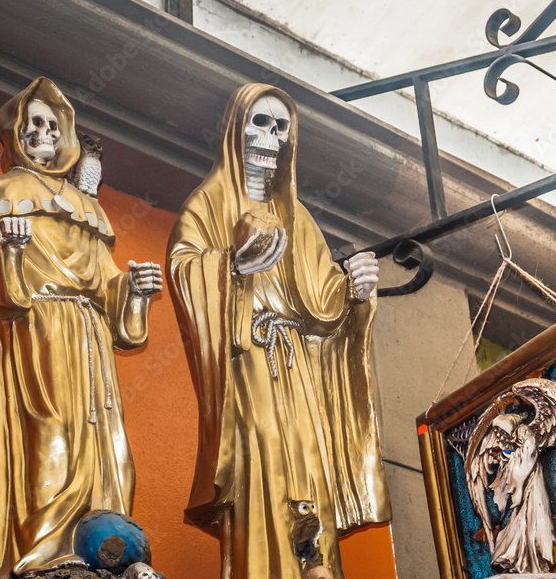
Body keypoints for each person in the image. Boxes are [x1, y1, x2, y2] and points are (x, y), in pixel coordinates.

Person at [167, 84, 391, 578]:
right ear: (234, 130)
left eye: (281, 126)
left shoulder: (297, 216)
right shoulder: (207, 205)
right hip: (248, 361)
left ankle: (317, 568)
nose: (272, 136)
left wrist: (354, 287)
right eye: (259, 122)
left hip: (299, 370)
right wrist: (230, 267)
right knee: (263, 460)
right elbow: (184, 271)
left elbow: (323, 303)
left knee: (310, 473)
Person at [0, 77, 163, 576]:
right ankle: (49, 556)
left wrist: (134, 289)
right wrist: (7, 249)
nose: (44, 132)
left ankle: (109, 551)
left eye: (53, 124)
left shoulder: (87, 208)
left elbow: (104, 282)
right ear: (13, 134)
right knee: (47, 434)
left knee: (103, 445)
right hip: (36, 332)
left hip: (90, 339)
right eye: (33, 124)